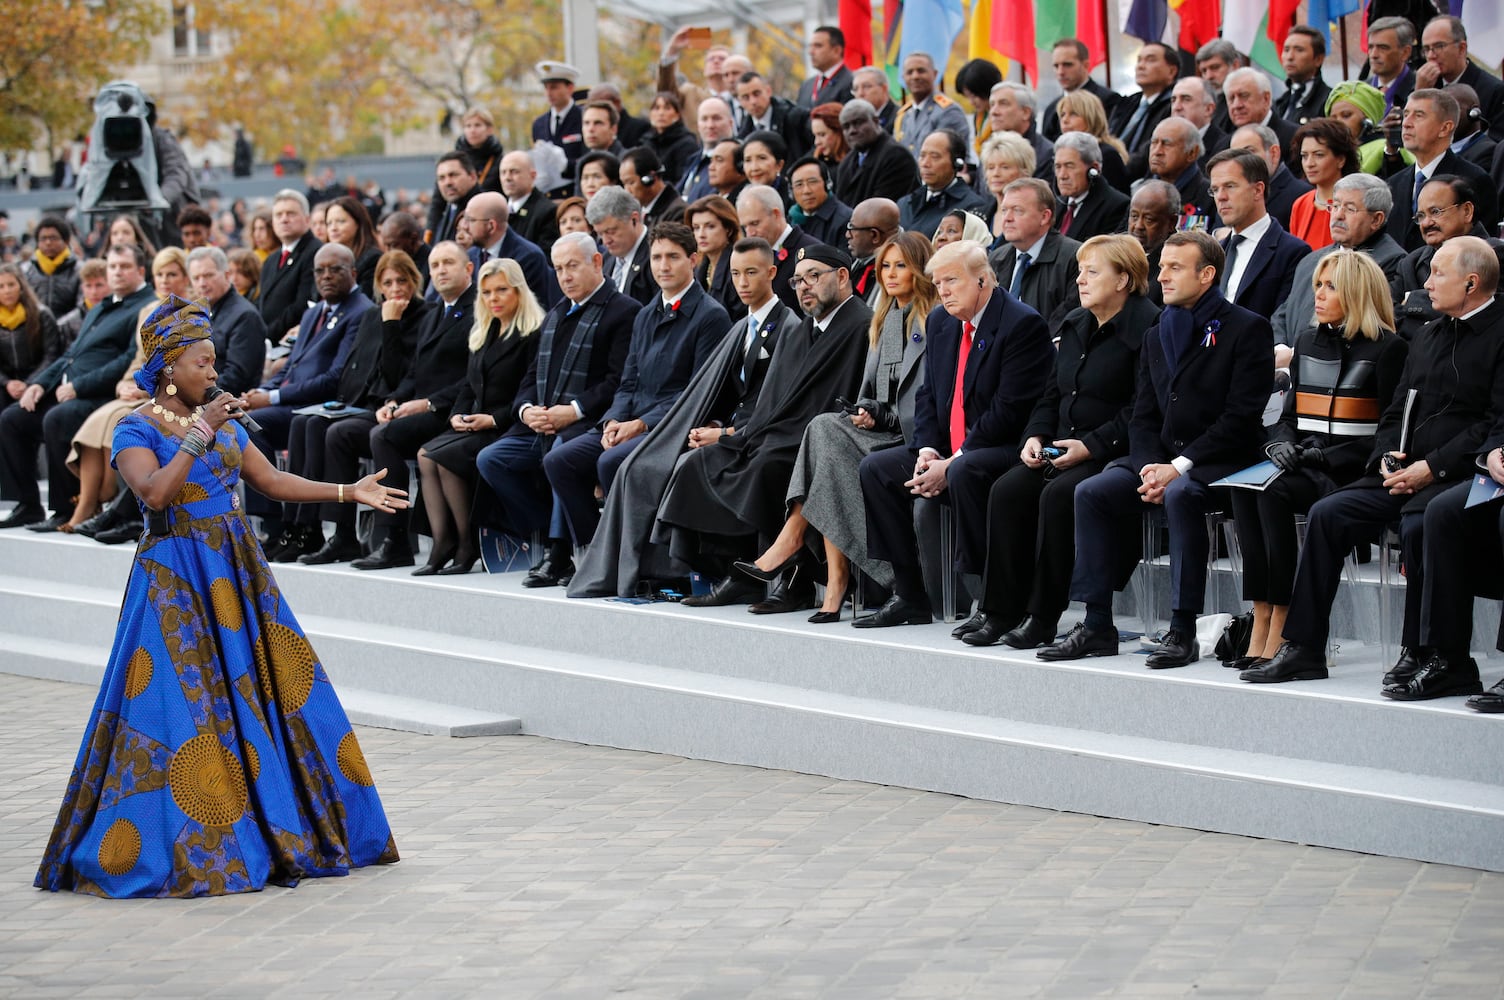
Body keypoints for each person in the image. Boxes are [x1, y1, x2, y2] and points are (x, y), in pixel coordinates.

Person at [34, 296, 403, 898]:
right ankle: (198, 844)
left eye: (214, 362)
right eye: (202, 363)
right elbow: (154, 494)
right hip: (175, 577)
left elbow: (270, 480)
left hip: (237, 569)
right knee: (188, 709)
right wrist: (199, 434)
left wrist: (346, 491)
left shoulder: (224, 420)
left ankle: (283, 825)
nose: (214, 372)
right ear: (168, 366)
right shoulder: (134, 424)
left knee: (273, 694)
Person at [1260, 237, 1504, 697]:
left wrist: (1430, 468)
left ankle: (1427, 652)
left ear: (1471, 283)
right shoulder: (1429, 333)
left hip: (1458, 474)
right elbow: (1395, 411)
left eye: (1437, 274)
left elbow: (1492, 424)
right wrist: (1388, 455)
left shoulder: (1499, 333)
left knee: (1420, 523)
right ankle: (1304, 648)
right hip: (1403, 471)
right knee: (1328, 514)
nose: (1425, 282)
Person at [1040, 231, 1271, 667]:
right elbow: (1143, 415)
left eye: (1174, 267)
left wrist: (1178, 467)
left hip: (1221, 461)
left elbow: (1240, 418)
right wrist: (1149, 466)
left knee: (1183, 494)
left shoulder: (1247, 327)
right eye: (1161, 266)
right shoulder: (1157, 330)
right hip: (1161, 458)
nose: (1161, 275)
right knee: (1092, 491)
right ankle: (1096, 624)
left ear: (1207, 275)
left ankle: (1182, 629)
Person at [568, 237, 807, 599]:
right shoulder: (742, 328)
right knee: (639, 466)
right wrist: (710, 425)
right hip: (729, 430)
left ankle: (710, 572)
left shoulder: (789, 327)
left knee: (678, 465)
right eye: (736, 274)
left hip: (758, 438)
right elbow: (718, 392)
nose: (742, 282)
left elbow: (777, 404)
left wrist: (726, 434)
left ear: (772, 273)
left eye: (752, 273)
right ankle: (656, 571)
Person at [961, 235, 1158, 648]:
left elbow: (1142, 408)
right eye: (1080, 271)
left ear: (1123, 279)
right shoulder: (1075, 324)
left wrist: (1090, 447)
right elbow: (1051, 395)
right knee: (1008, 489)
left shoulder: (1149, 328)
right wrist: (1035, 435)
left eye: (1092, 271)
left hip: (1112, 452)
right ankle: (1000, 610)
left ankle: (1043, 616)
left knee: (1058, 496)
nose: (1081, 280)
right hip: (1062, 445)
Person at [733, 232, 937, 621]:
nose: (891, 275)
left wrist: (883, 416)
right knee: (824, 431)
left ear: (920, 270)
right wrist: (868, 411)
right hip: (881, 430)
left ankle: (802, 551)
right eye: (885, 267)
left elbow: (925, 400)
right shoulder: (886, 319)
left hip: (913, 437)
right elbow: (877, 395)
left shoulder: (931, 321)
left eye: (901, 266)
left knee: (823, 435)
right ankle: (834, 575)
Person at [855, 239, 1054, 628]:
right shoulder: (942, 322)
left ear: (983, 281)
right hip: (951, 449)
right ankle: (909, 594)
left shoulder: (1021, 323)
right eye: (938, 282)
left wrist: (953, 461)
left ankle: (989, 599)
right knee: (876, 469)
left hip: (1006, 448)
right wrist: (928, 451)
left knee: (966, 472)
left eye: (952, 281)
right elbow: (929, 395)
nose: (942, 290)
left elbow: (1009, 411)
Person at [663, 243, 873, 607]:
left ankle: (793, 581)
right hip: (780, 432)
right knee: (704, 461)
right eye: (798, 280)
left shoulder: (861, 324)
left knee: (766, 466)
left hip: (821, 438)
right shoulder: (803, 328)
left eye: (813, 276)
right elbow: (775, 399)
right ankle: (733, 573)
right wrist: (736, 434)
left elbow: (848, 396)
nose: (804, 286)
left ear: (842, 277)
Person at [1236, 251, 1408, 679]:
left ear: (1356, 292)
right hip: (1304, 464)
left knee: (1273, 491)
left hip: (1350, 473)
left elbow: (1389, 432)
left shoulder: (1391, 349)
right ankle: (1262, 610)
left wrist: (1322, 456)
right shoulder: (1307, 342)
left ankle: (1283, 619)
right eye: (1318, 285)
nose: (1319, 294)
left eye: (1330, 286)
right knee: (1243, 485)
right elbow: (1287, 417)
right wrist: (1280, 444)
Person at [541, 222, 727, 559]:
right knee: (559, 461)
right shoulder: (644, 315)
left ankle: (628, 556)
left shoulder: (711, 316)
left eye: (673, 256)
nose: (663, 265)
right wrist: (612, 421)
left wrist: (640, 425)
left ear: (694, 260)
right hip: (632, 422)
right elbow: (627, 382)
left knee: (610, 461)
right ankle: (594, 548)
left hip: (672, 427)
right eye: (656, 257)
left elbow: (698, 392)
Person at [474, 233, 636, 588]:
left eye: (573, 266)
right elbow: (531, 377)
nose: (564, 276)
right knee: (491, 459)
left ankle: (562, 551)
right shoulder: (556, 313)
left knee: (563, 451)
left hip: (590, 421)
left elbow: (617, 381)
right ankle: (550, 535)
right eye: (559, 268)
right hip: (543, 421)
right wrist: (527, 410)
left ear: (597, 263)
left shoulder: (624, 311)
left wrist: (574, 410)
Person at [289, 251, 433, 566]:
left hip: (403, 405)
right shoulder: (374, 315)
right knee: (311, 423)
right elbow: (361, 370)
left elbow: (399, 374)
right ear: (379, 286)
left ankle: (384, 538)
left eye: (402, 281)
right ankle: (319, 530)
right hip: (369, 404)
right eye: (388, 282)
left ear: (414, 281)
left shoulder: (426, 315)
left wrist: (392, 325)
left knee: (339, 433)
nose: (396, 289)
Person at [0, 244, 155, 530]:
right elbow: (69, 355)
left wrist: (79, 386)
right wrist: (38, 385)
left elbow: (127, 360)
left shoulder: (145, 307)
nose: (117, 272)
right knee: (12, 419)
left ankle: (65, 507)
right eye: (112, 266)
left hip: (102, 395)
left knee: (57, 418)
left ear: (141, 271)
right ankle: (28, 505)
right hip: (68, 391)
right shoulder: (102, 307)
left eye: (124, 266)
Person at [348, 242, 477, 571]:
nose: (441, 270)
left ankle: (394, 538)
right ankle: (394, 538)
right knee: (382, 430)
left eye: (448, 262)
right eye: (435, 265)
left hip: (453, 409)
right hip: (424, 407)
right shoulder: (437, 311)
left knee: (383, 436)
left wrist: (429, 403)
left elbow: (472, 376)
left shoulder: (478, 308)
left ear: (468, 269)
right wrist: (395, 401)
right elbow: (414, 372)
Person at [415, 258, 541, 576]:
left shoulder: (533, 332)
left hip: (508, 424)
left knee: (443, 457)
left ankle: (466, 543)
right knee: (425, 454)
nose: (493, 298)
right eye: (486, 293)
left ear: (518, 291)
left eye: (501, 290)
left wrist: (493, 419)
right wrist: (457, 415)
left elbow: (530, 391)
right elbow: (469, 386)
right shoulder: (485, 329)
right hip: (477, 422)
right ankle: (444, 542)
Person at [53, 248, 191, 539]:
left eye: (172, 274)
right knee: (98, 420)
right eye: (160, 275)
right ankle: (90, 503)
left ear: (184, 277)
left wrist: (140, 386)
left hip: (162, 393)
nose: (165, 280)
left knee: (118, 419)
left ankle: (105, 506)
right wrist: (122, 384)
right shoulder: (147, 310)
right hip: (135, 388)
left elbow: (180, 366)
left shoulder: (190, 313)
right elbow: (137, 359)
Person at [242, 244, 373, 549]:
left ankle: (289, 526)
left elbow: (334, 377)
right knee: (246, 419)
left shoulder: (360, 311)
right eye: (320, 271)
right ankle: (277, 526)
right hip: (292, 403)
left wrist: (273, 397)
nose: (326, 276)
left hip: (318, 404)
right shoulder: (314, 310)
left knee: (258, 424)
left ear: (352, 272)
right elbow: (292, 364)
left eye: (335, 269)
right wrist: (262, 391)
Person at [1270, 173, 1407, 350]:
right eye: (1335, 206)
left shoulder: (1391, 262)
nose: (1338, 215)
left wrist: (1300, 354)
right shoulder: (1310, 260)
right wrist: (1280, 348)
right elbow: (1283, 314)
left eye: (1350, 209)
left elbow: (1366, 326)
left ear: (1376, 219)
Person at [1380, 88, 1494, 252]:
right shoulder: (1394, 183)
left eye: (1419, 115)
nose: (1406, 123)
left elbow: (1484, 250)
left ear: (1445, 128)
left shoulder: (1474, 180)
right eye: (1406, 115)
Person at [1208, 148, 1313, 320]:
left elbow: (1284, 322)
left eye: (1230, 186)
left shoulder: (1293, 252)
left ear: (1258, 190)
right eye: (1215, 189)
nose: (1221, 197)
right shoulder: (1215, 252)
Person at [987, 178, 1081, 337]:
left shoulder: (1075, 257)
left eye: (1017, 210)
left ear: (1044, 217)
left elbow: (1067, 320)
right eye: (1004, 210)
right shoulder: (995, 258)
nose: (1007, 218)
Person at [898, 130, 991, 238]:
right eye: (922, 156)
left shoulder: (972, 208)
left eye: (935, 156)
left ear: (957, 163)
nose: (925, 164)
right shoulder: (905, 203)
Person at [258, 190, 323, 344]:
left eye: (291, 214)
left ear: (307, 219)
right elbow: (262, 303)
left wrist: (266, 335)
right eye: (279, 215)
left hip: (292, 341)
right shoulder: (271, 260)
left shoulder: (316, 252)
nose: (284, 219)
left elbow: (301, 305)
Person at [0, 263, 62, 420]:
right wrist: (7, 383)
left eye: (11, 284)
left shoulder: (42, 315)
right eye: (1, 286)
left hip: (37, 379)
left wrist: (28, 383)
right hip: (6, 383)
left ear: (21, 286)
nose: (7, 290)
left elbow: (51, 355)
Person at [1288, 119, 1360, 250]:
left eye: (1319, 155)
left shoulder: (1355, 204)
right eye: (1304, 156)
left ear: (1341, 160)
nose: (1309, 163)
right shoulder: (1300, 204)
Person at [1109, 42, 1180, 174]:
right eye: (1139, 60)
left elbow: (1148, 153)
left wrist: (1117, 169)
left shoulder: (1175, 106)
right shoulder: (1128, 102)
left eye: (1150, 60)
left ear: (1171, 71)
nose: (1141, 66)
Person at [834, 101, 921, 207]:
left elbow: (881, 209)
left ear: (876, 121)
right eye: (846, 126)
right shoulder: (846, 163)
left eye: (858, 122)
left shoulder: (896, 156)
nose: (852, 130)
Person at [1230, 124, 1313, 231]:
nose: (1240, 161)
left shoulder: (1302, 195)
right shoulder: (1230, 192)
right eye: (1235, 155)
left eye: (1249, 152)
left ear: (1274, 153)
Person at [1053, 132, 1130, 242]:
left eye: (1069, 166)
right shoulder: (1056, 204)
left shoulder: (1117, 206)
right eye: (1058, 167)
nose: (1062, 175)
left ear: (1094, 169)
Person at [894, 52, 974, 159]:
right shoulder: (904, 115)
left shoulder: (948, 111)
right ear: (903, 77)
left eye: (921, 71)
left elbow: (953, 158)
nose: (915, 76)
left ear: (935, 74)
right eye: (909, 72)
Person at [1042, 38, 1121, 141]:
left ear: (1085, 65)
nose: (1060, 72)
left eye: (1067, 65)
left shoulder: (1109, 100)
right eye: (1056, 66)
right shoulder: (1051, 109)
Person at [1223, 67, 1300, 169]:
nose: (1237, 105)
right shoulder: (1223, 145)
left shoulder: (1295, 138)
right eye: (1231, 98)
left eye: (1244, 96)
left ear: (1266, 99)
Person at [591, 186, 656, 306]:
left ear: (634, 219)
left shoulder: (658, 256)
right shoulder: (605, 260)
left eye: (611, 231)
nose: (606, 241)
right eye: (600, 234)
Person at [1053, 90, 1128, 191]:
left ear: (1091, 118)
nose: (1064, 120)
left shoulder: (1107, 154)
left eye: (1073, 114)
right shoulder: (1061, 154)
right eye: (1062, 114)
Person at [1325, 81, 1405, 174]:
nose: (1338, 123)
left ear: (1367, 119)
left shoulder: (1383, 149)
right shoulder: (1324, 150)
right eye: (1333, 118)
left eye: (1346, 115)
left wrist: (1391, 153)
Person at [532, 61, 585, 198]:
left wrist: (567, 165)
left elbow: (590, 157)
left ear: (570, 88)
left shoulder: (583, 117)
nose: (549, 93)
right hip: (548, 195)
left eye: (554, 87)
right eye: (546, 88)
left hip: (576, 192)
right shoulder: (539, 123)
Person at [688, 195, 746, 321]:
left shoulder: (738, 267)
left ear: (728, 229)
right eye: (696, 228)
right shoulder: (700, 267)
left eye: (710, 226)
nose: (701, 235)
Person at [1142, 118, 1212, 222]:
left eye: (1167, 144)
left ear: (1192, 153)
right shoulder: (1143, 192)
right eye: (1154, 142)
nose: (1157, 151)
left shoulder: (1209, 198)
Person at [978, 133, 1036, 249]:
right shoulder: (977, 215)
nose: (996, 174)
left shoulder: (1033, 216)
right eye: (991, 167)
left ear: (1024, 171)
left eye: (1005, 167)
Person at [498, 151, 560, 258]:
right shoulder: (498, 210)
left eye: (514, 172)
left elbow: (544, 258)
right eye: (503, 172)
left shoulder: (546, 211)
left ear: (533, 175)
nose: (507, 178)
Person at [1127, 180, 1180, 304]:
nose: (1138, 226)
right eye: (1134, 216)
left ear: (1171, 222)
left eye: (1149, 219)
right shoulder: (1119, 252)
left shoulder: (1177, 262)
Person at [844, 198, 902, 305]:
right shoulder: (860, 263)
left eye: (852, 228)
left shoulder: (899, 273)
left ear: (874, 235)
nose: (847, 235)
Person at [21, 216, 80, 319]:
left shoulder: (78, 269)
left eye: (53, 238)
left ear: (66, 241)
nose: (48, 243)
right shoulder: (25, 270)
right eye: (43, 239)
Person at [324, 196, 382, 299]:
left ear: (358, 223)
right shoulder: (323, 259)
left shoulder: (373, 259)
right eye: (329, 223)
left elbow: (364, 300)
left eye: (341, 221)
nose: (333, 228)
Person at [787, 157, 851, 247]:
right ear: (791, 192)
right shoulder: (790, 221)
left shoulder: (845, 219)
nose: (806, 191)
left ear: (827, 184)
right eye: (799, 184)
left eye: (812, 182)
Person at [1276, 26, 1332, 127]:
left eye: (1299, 50)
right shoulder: (1278, 103)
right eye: (1286, 50)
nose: (1290, 57)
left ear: (1318, 59)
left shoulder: (1329, 102)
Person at [642, 91, 700, 186]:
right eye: (657, 108)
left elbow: (683, 180)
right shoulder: (646, 142)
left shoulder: (687, 143)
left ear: (677, 115)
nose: (661, 113)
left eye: (667, 108)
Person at [1171, 76, 1231, 168]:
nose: (1176, 107)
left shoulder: (1224, 147)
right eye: (1173, 100)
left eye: (1186, 99)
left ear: (1208, 109)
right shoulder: (1163, 141)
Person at [1366, 16, 1417, 116]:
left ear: (1405, 52)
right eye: (1371, 47)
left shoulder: (1418, 89)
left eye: (1383, 48)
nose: (1374, 55)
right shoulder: (1359, 91)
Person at [796, 26, 853, 108]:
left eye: (818, 46)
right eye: (811, 46)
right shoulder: (806, 86)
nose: (811, 52)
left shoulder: (851, 82)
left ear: (836, 50)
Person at [740, 131, 792, 209]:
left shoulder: (791, 197)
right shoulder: (741, 198)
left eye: (762, 158)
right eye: (748, 160)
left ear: (779, 165)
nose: (754, 168)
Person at [808, 102, 850, 169]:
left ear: (839, 132)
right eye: (815, 136)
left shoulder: (854, 164)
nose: (816, 142)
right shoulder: (816, 157)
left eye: (822, 135)